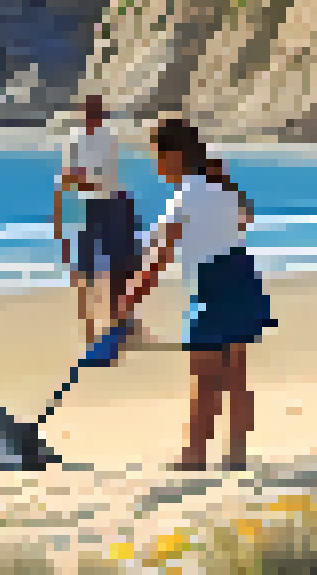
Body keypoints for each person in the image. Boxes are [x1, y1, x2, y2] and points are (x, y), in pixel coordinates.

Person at [116, 119, 275, 471]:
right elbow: (245, 217)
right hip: (243, 279)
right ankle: (235, 458)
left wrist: (127, 302)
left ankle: (194, 460)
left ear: (173, 156)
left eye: (157, 158)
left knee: (204, 381)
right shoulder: (222, 190)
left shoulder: (184, 197)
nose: (157, 168)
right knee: (235, 379)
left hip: (214, 285)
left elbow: (158, 259)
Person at [56, 95, 145, 345]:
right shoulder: (75, 139)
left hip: (114, 203)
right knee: (87, 271)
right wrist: (72, 184)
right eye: (89, 111)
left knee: (121, 268)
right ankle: (91, 330)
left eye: (96, 112)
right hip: (91, 205)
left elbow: (93, 179)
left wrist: (73, 181)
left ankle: (123, 323)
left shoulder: (108, 138)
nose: (92, 116)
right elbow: (70, 177)